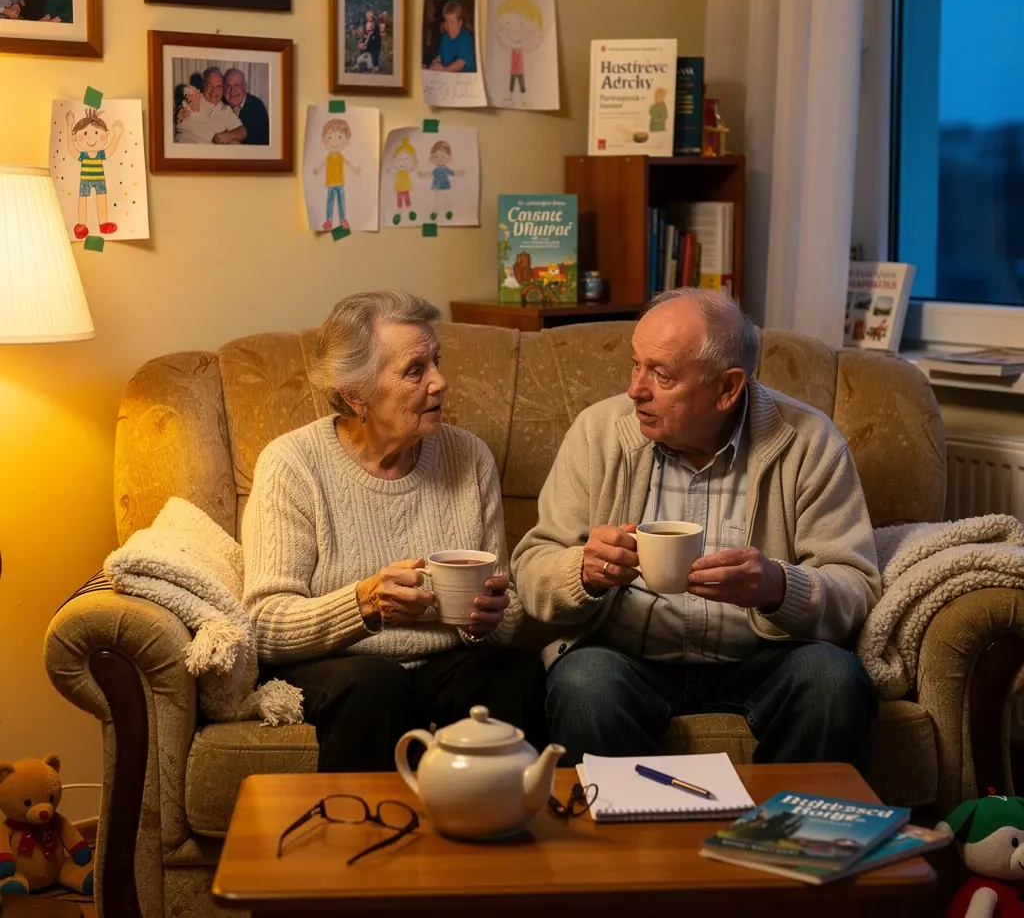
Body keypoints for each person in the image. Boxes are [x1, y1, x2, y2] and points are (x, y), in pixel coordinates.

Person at [511, 288, 881, 774]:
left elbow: (857, 586)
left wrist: (776, 587)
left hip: (764, 660)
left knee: (835, 680)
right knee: (583, 684)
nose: (635, 389)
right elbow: (531, 565)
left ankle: (783, 841)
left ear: (728, 388)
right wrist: (584, 571)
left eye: (660, 374)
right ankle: (624, 847)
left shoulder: (809, 443)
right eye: (635, 364)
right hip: (628, 659)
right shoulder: (598, 432)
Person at [243, 291, 548, 773]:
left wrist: (484, 619)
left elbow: (506, 614)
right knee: (377, 685)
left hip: (447, 663)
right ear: (354, 394)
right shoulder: (293, 465)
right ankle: (368, 836)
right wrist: (364, 602)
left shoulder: (469, 458)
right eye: (415, 370)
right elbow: (264, 624)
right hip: (339, 666)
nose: (440, 382)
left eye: (436, 362)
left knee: (516, 674)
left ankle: (490, 829)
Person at [66, 107, 123, 240]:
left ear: (106, 134)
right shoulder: (83, 155)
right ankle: (81, 225)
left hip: (99, 180)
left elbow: (110, 149)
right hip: (85, 181)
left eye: (97, 132)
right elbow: (71, 148)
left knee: (101, 198)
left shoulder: (100, 154)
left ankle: (103, 224)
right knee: (82, 200)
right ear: (76, 136)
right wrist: (69, 126)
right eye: (85, 133)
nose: (91, 137)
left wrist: (117, 135)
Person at [312, 117, 361, 231]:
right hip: (330, 183)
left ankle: (343, 220)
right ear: (324, 139)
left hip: (339, 183)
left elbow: (348, 163)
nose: (334, 142)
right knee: (330, 203)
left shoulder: (340, 156)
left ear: (346, 140)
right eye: (330, 137)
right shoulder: (328, 157)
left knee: (340, 202)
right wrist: (317, 170)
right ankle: (328, 221)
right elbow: (322, 165)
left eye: (339, 137)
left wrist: (355, 169)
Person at [174, 67, 238, 143]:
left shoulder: (227, 109)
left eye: (218, 86)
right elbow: (172, 120)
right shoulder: (194, 97)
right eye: (210, 85)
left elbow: (241, 131)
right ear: (203, 85)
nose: (214, 91)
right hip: (184, 143)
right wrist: (176, 115)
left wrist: (230, 135)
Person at [217, 68, 269, 145]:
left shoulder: (255, 105)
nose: (232, 90)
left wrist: (229, 136)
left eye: (236, 85)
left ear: (244, 87)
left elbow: (249, 139)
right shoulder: (221, 102)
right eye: (228, 86)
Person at [429, 0, 476, 73]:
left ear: (460, 23)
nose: (448, 26)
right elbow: (440, 56)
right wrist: (434, 64)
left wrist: (444, 70)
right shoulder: (445, 38)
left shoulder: (466, 39)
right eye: (446, 22)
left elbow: (460, 63)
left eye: (452, 22)